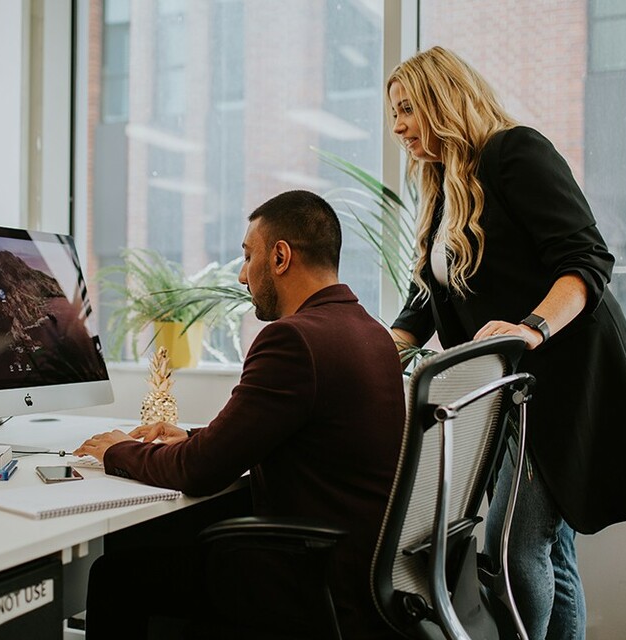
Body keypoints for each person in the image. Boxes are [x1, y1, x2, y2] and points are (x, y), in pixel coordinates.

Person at [384, 46, 626, 639]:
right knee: (549, 551)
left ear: (443, 100)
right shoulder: (443, 186)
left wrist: (529, 326)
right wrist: (386, 347)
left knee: (512, 547)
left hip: (561, 377)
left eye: (408, 108)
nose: (398, 126)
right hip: (510, 389)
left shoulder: (514, 152)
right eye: (394, 114)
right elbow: (436, 293)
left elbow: (587, 260)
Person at [74, 189, 406, 639]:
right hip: (361, 574)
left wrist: (120, 450)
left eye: (248, 257)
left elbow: (200, 471)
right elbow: (288, 430)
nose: (243, 277)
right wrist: (193, 436)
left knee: (116, 574)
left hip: (309, 580)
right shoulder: (370, 332)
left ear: (281, 256)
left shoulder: (294, 340)